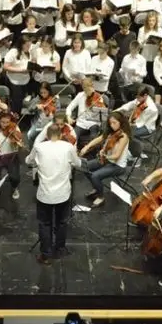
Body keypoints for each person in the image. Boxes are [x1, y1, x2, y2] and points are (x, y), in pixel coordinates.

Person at [26, 123, 82, 264]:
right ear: (61, 134)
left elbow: (29, 161)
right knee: (62, 222)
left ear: (47, 135)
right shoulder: (68, 147)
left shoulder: (39, 147)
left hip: (44, 194)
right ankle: (60, 249)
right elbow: (78, 164)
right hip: (63, 194)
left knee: (45, 224)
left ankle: (46, 255)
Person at [79, 111, 131, 208]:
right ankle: (96, 187)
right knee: (84, 167)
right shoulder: (111, 132)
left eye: (114, 123)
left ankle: (100, 197)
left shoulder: (123, 136)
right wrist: (87, 147)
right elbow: (99, 138)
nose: (112, 125)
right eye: (110, 123)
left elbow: (116, 156)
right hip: (107, 160)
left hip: (117, 165)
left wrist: (104, 155)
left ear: (121, 122)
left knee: (95, 176)